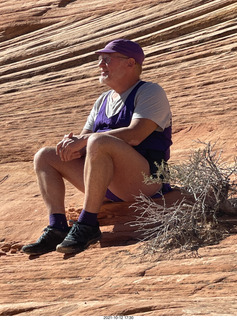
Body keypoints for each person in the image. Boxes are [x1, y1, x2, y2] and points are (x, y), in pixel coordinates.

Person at [21, 39, 172, 256]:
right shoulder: (102, 100)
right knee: (44, 155)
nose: (100, 65)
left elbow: (136, 134)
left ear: (130, 63)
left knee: (97, 141)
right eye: (100, 60)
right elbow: (84, 143)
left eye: (107, 59)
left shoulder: (150, 91)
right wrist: (71, 145)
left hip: (148, 180)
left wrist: (85, 141)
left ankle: (88, 224)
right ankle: (57, 227)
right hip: (107, 183)